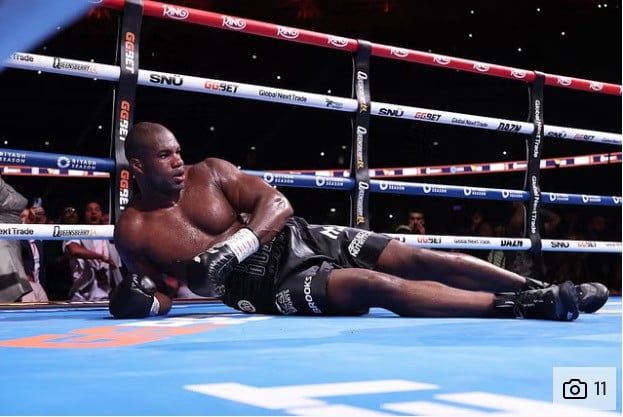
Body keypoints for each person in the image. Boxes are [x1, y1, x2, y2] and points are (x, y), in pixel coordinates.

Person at [109, 122, 609, 321]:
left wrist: (234, 245)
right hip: (265, 287)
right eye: (165, 156)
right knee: (375, 285)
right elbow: (163, 291)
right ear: (139, 166)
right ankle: (525, 306)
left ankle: (541, 287)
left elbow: (277, 204)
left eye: (178, 151)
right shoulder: (134, 230)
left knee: (418, 257)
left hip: (299, 237)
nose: (179, 161)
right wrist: (143, 303)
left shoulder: (211, 172)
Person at [64, 200, 123, 301]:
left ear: (101, 215)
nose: (93, 212)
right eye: (89, 210)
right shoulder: (76, 232)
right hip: (80, 294)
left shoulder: (109, 236)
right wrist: (101, 257)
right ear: (84, 214)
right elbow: (74, 250)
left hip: (104, 293)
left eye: (97, 210)